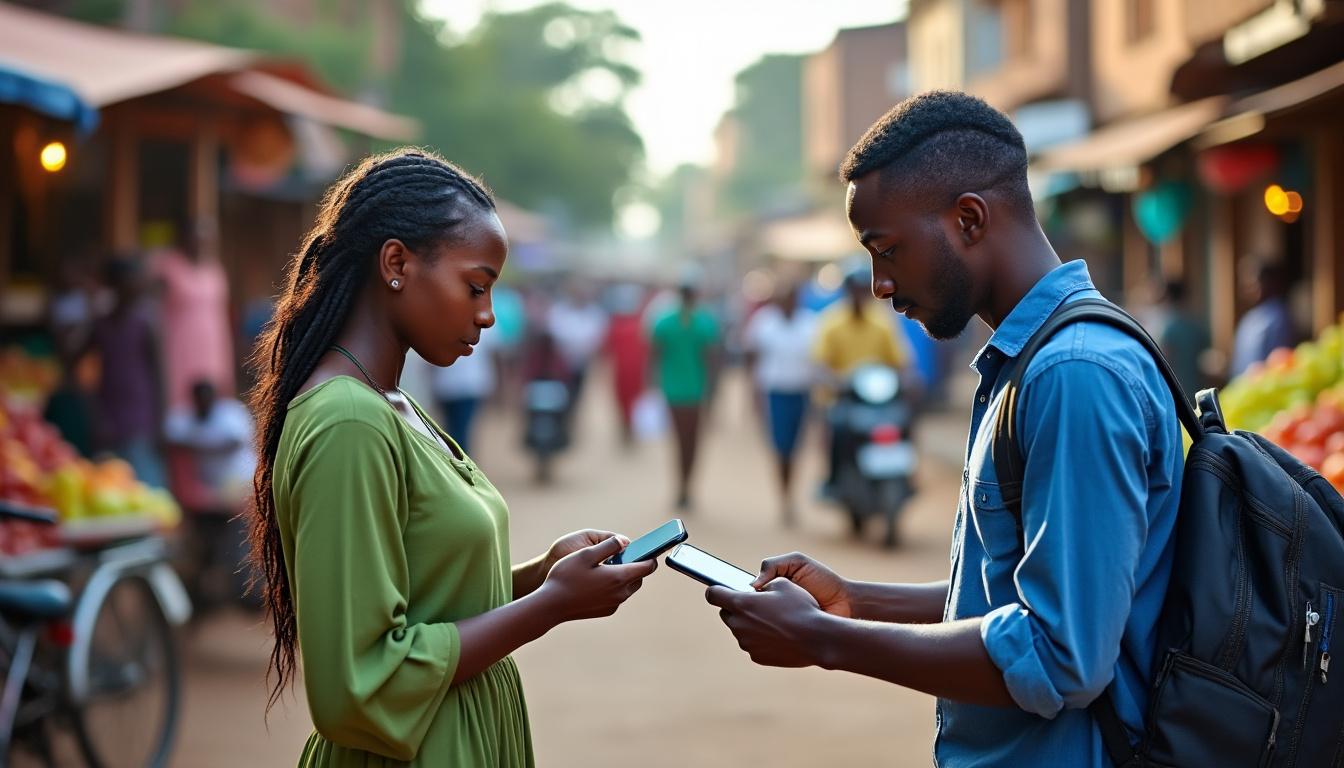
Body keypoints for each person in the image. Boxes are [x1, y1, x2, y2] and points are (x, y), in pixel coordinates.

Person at [706, 91, 1184, 767]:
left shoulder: (1072, 374)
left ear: (968, 219)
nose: (877, 284)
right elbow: (1018, 594)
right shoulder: (1033, 363)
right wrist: (853, 601)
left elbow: (1060, 656)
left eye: (887, 249)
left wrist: (824, 642)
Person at [244, 149, 655, 766]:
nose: (488, 315)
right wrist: (551, 607)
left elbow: (430, 601)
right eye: (475, 287)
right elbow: (359, 684)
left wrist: (542, 574)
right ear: (396, 263)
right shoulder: (348, 422)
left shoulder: (390, 404)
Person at [812, 269, 911, 498]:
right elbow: (819, 364)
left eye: (862, 290)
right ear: (847, 292)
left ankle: (907, 474)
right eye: (854, 290)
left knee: (904, 421)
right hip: (845, 398)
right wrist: (832, 380)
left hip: (878, 398)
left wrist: (908, 379)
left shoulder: (883, 322)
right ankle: (833, 478)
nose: (859, 295)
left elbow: (901, 360)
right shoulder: (831, 322)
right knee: (837, 429)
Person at [163, 379, 256, 607]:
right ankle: (209, 596)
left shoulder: (231, 413)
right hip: (209, 493)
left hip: (239, 485)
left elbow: (232, 442)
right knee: (206, 545)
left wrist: (194, 442)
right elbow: (167, 438)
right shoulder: (185, 417)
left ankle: (247, 596)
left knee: (239, 543)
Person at [743, 282, 818, 525]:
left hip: (801, 393)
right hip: (775, 394)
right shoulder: (764, 323)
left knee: (795, 448)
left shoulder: (810, 323)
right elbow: (751, 358)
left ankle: (790, 493)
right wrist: (753, 394)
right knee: (780, 448)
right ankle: (785, 497)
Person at [89, 257, 166, 488]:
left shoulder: (146, 322)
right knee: (111, 482)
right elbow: (74, 358)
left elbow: (160, 375)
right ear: (114, 285)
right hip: (108, 416)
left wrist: (161, 422)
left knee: (145, 483)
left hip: (140, 417)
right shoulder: (101, 323)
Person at [649, 279, 721, 511]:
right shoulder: (703, 322)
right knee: (691, 441)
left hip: (675, 390)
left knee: (681, 441)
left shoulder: (665, 322)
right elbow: (712, 360)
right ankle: (685, 486)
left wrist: (651, 384)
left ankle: (683, 487)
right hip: (693, 390)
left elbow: (654, 356)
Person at [153, 217, 235, 409]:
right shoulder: (168, 267)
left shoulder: (214, 269)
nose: (199, 244)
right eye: (194, 238)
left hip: (212, 348)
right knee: (182, 405)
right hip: (180, 347)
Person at [430, 329, 498, 455]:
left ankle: (459, 467)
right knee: (452, 432)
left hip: (467, 386)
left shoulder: (481, 321)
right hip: (451, 386)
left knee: (458, 432)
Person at [1231, 257, 1297, 377]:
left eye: (1253, 280)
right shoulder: (1252, 316)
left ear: (1269, 282)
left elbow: (1279, 362)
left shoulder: (1278, 317)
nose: (1249, 286)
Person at [1147, 278, 1209, 398]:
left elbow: (1163, 361)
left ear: (1166, 297)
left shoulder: (1166, 326)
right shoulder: (1195, 324)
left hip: (1174, 393)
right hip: (1195, 390)